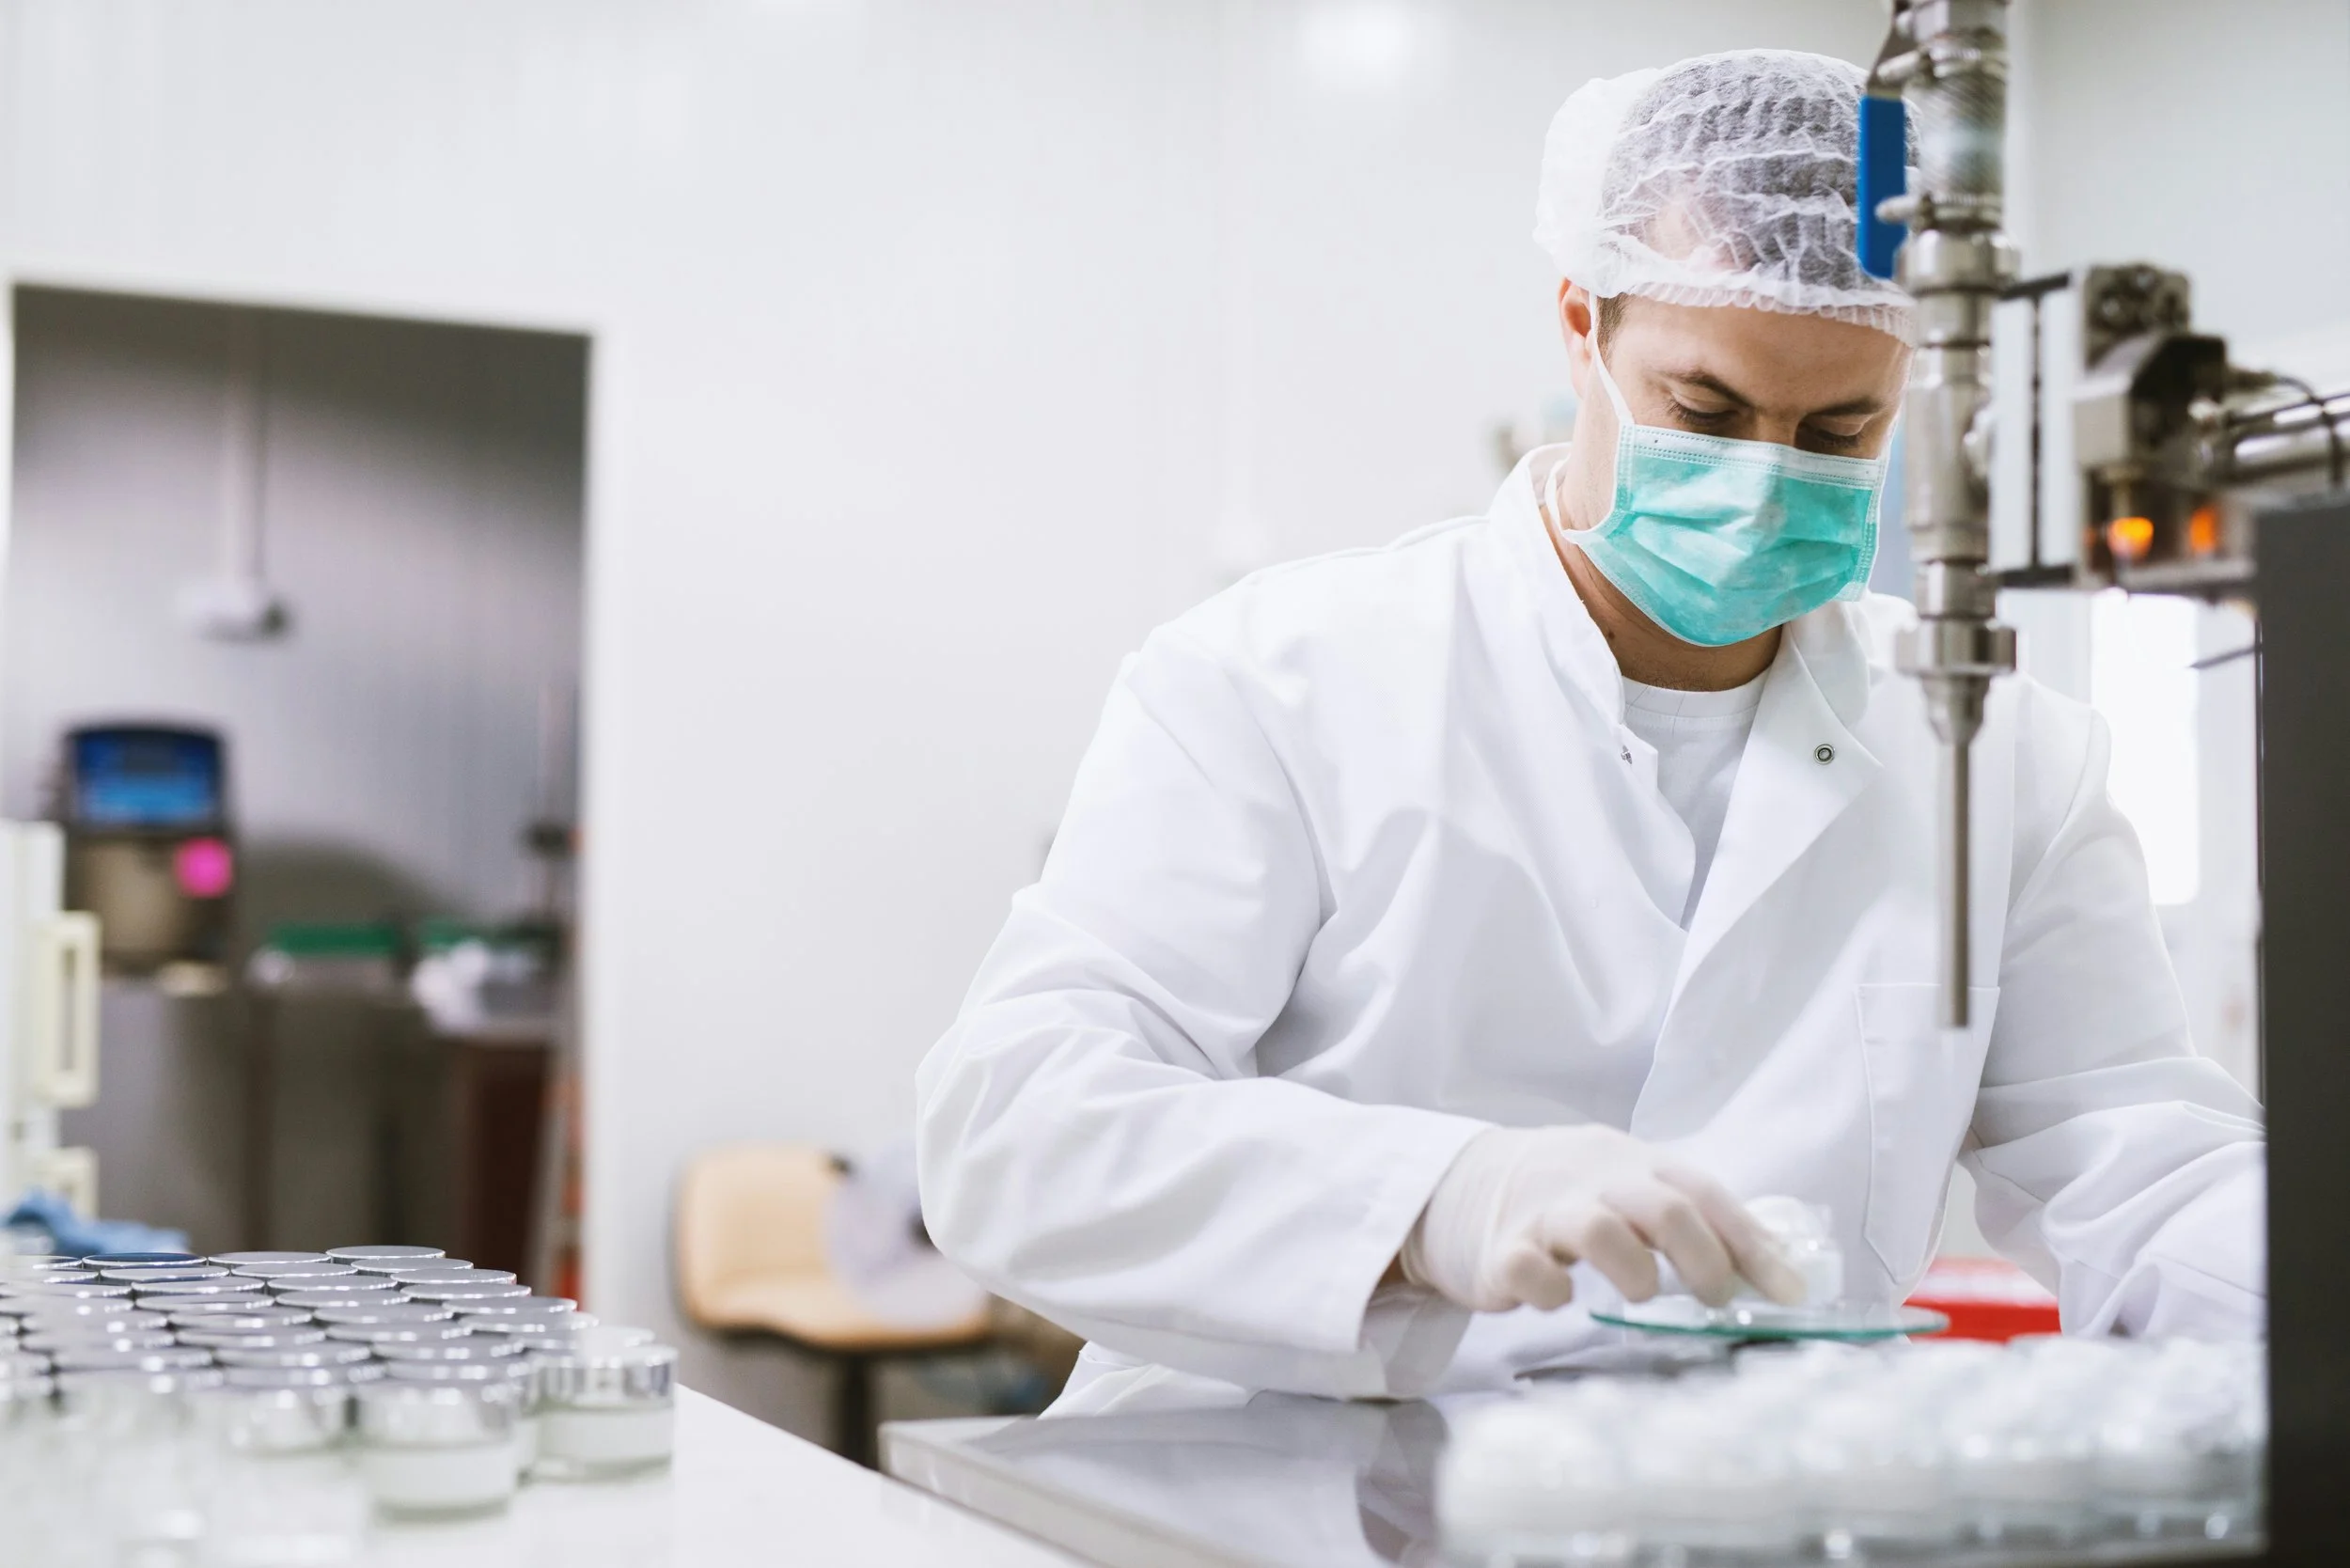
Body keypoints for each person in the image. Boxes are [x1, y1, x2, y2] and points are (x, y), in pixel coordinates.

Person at [915, 49, 2264, 1409]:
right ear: (1581, 325)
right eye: (1708, 409)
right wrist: (1443, 1198)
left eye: (1840, 427)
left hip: (1738, 1502)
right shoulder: (1281, 682)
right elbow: (1015, 1126)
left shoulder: (1997, 756)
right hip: (1265, 1496)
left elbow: (2144, 1163)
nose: (1762, 478)